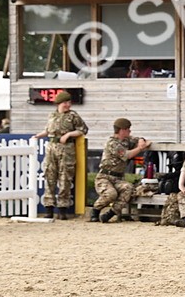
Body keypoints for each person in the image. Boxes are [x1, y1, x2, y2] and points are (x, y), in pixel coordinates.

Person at [35, 91, 88, 219]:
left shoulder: (73, 116)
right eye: (65, 102)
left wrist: (69, 134)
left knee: (65, 178)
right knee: (50, 176)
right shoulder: (52, 115)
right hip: (51, 147)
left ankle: (62, 209)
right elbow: (48, 130)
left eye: (69, 102)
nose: (68, 105)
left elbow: (83, 130)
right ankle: (49, 208)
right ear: (59, 103)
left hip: (66, 148)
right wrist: (38, 135)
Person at [92, 117, 150, 223]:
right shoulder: (112, 143)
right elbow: (126, 155)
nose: (130, 131)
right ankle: (95, 211)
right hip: (105, 177)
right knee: (110, 194)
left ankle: (110, 214)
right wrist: (140, 148)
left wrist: (141, 140)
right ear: (122, 130)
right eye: (128, 129)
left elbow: (139, 139)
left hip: (118, 178)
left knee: (128, 188)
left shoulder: (126, 140)